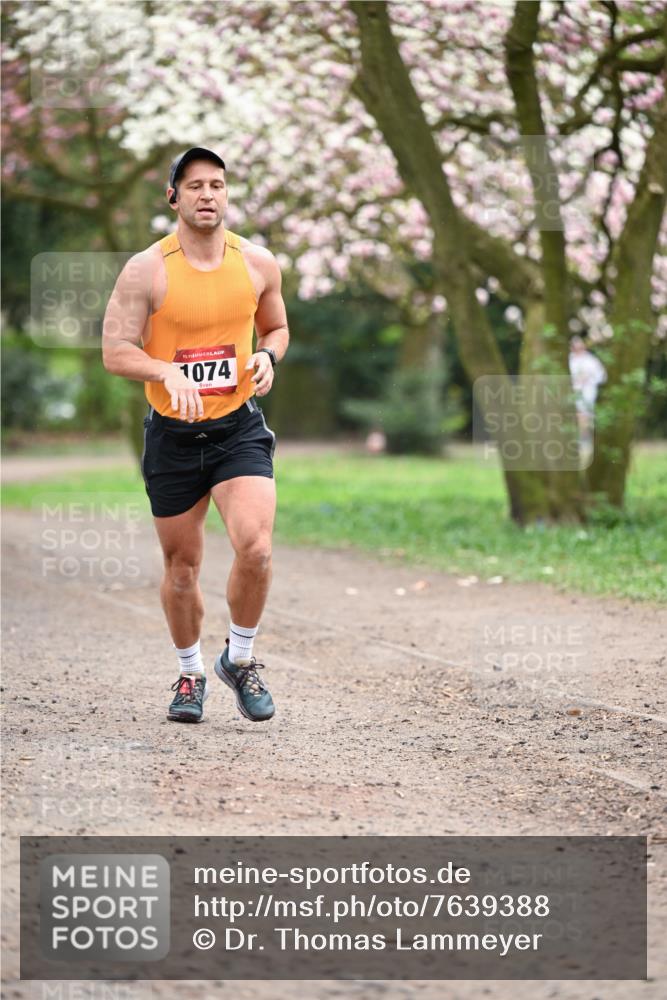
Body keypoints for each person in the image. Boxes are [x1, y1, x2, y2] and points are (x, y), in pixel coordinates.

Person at [102, 147, 289, 725]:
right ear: (173, 198)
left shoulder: (257, 263)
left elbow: (277, 327)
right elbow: (115, 351)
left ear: (227, 195)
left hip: (238, 429)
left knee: (255, 547)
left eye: (218, 185)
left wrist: (267, 357)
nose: (208, 195)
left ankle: (242, 657)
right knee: (182, 568)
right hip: (173, 438)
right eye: (195, 186)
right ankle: (190, 674)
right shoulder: (146, 269)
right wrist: (164, 370)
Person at [568, 335, 607, 456]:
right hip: (573, 392)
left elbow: (601, 376)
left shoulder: (591, 360)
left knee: (586, 416)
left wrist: (589, 379)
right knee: (575, 416)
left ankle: (585, 440)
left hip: (588, 392)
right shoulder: (569, 360)